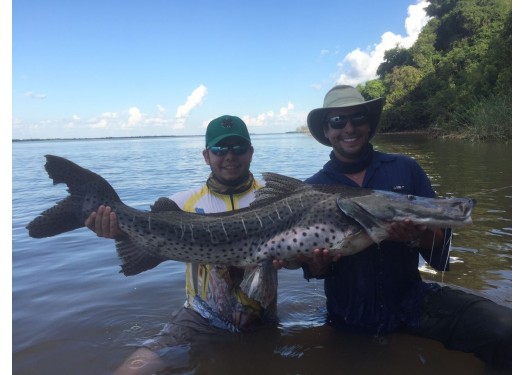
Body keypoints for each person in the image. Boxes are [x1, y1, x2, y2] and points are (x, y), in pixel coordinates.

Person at [300, 85, 512, 369]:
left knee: (507, 331)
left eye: (358, 118)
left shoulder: (405, 168)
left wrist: (416, 237)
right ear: (327, 131)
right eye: (338, 121)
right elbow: (313, 269)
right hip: (348, 317)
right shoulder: (311, 189)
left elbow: (440, 244)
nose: (348, 127)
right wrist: (317, 264)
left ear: (369, 124)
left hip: (413, 301)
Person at [85, 115, 286, 374]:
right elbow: (141, 242)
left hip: (262, 321)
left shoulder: (276, 200)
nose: (229, 155)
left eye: (238, 147)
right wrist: (117, 230)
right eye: (219, 148)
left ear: (251, 152)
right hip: (198, 319)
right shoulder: (181, 204)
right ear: (206, 155)